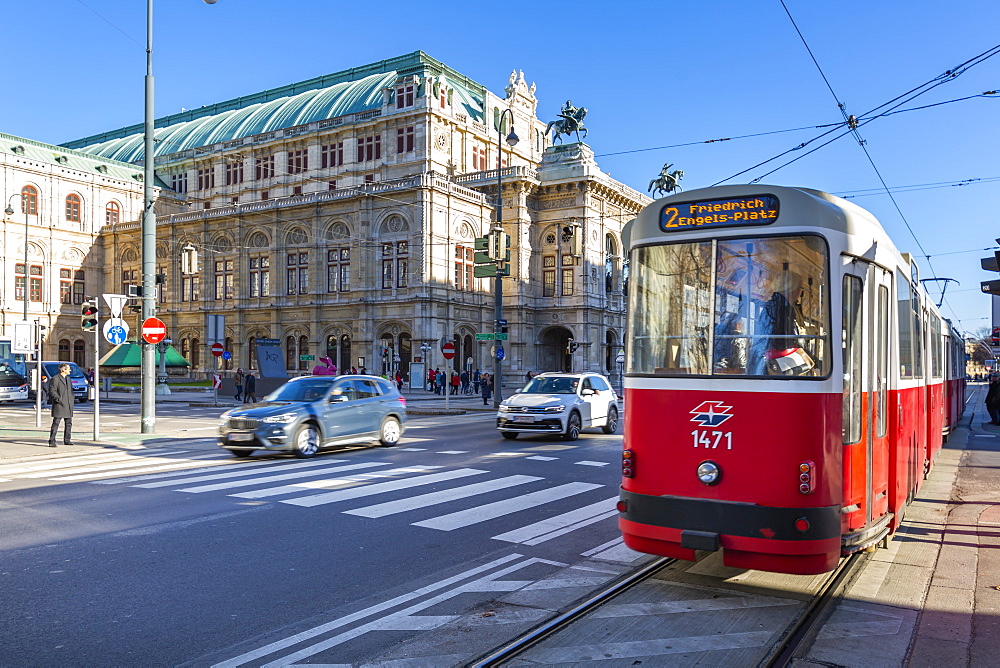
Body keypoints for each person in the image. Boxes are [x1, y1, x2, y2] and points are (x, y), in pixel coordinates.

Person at [47, 363, 74, 447]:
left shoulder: (68, 379)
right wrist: (59, 399)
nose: (70, 370)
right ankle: (52, 440)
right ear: (63, 370)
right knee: (56, 423)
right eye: (68, 369)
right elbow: (52, 390)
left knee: (68, 423)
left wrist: (72, 399)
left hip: (68, 404)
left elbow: (70, 391)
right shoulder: (55, 379)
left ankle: (67, 440)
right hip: (59, 404)